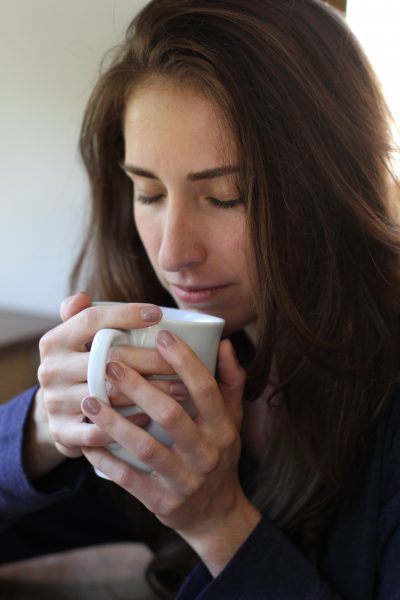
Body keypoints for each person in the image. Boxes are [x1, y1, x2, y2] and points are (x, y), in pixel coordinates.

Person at [1, 0, 399, 598]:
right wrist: (41, 430)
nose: (172, 253)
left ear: (332, 190)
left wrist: (219, 523)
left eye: (227, 197)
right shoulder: (188, 362)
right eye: (149, 192)